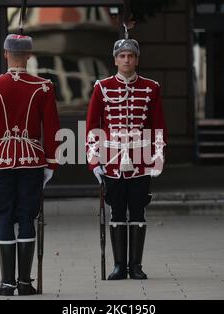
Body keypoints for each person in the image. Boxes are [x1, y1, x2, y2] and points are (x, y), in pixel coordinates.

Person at [0, 34, 60, 295]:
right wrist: (51, 162)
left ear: (5, 53)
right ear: (30, 56)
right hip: (32, 159)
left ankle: (7, 283)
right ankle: (24, 283)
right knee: (26, 217)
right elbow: (53, 128)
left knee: (4, 217)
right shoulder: (43, 86)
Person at [86, 38, 167, 280]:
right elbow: (92, 127)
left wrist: (158, 158)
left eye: (130, 56)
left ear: (137, 59)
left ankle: (136, 266)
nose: (126, 60)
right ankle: (119, 266)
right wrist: (94, 160)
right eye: (122, 56)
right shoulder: (102, 87)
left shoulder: (151, 88)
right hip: (112, 161)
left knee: (138, 211)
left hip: (141, 161)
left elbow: (158, 127)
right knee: (117, 212)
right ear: (115, 60)